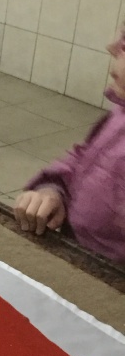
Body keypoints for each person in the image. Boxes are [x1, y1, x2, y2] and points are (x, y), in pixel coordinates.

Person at [13, 27, 125, 263]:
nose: (113, 47)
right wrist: (54, 191)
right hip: (77, 255)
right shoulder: (119, 114)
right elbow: (84, 160)